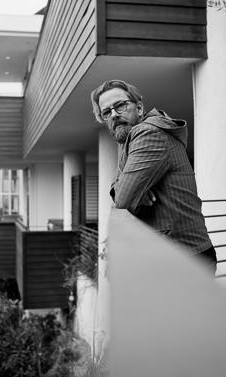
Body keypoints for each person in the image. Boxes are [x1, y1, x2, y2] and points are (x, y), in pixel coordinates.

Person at [90, 79, 216, 274]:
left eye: (120, 106)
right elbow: (120, 189)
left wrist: (132, 189)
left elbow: (122, 199)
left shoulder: (147, 133)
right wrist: (133, 187)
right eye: (107, 112)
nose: (114, 115)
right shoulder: (128, 139)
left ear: (139, 108)